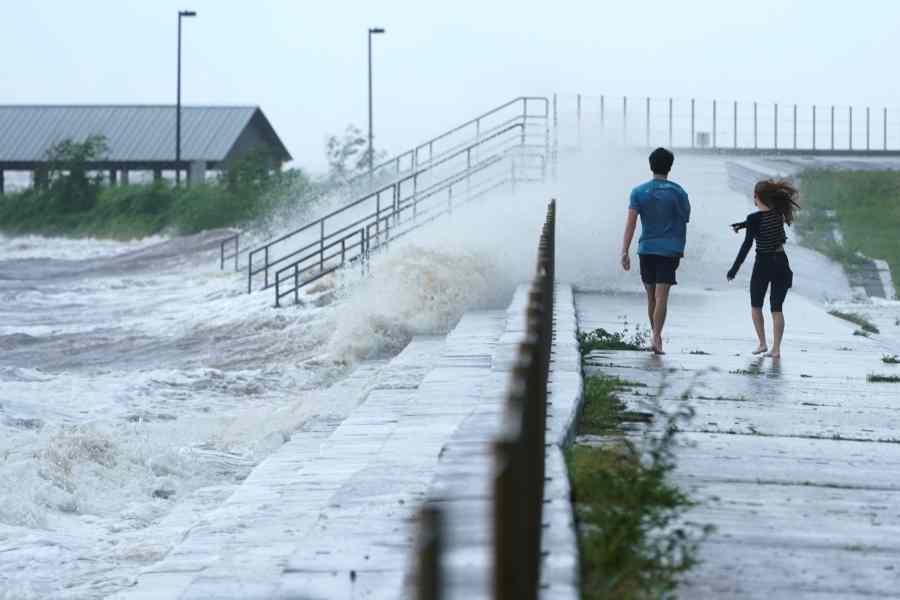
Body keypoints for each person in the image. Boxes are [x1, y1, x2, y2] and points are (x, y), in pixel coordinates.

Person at [621, 147, 691, 355]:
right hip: (670, 250)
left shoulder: (638, 192)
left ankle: (655, 334)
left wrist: (624, 251)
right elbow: (685, 217)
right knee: (662, 297)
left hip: (646, 249)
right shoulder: (678, 192)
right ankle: (657, 336)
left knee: (651, 296)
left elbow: (631, 225)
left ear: (650, 165)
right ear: (670, 167)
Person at [726, 179, 800, 358]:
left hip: (763, 264)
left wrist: (734, 270)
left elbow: (747, 245)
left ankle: (762, 343)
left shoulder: (754, 219)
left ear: (756, 197)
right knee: (777, 309)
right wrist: (743, 225)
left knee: (756, 305)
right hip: (781, 263)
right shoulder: (779, 214)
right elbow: (761, 219)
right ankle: (776, 349)